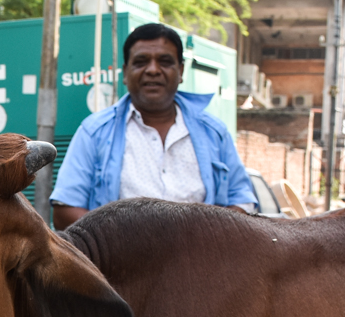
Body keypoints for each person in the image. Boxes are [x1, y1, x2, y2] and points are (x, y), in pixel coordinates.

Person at [51, 22, 256, 229]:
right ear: (125, 72)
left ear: (181, 71)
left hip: (201, 258)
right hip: (120, 259)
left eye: (165, 62)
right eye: (141, 62)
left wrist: (203, 235)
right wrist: (125, 239)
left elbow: (243, 202)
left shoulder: (214, 132)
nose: (152, 70)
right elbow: (64, 211)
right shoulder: (94, 132)